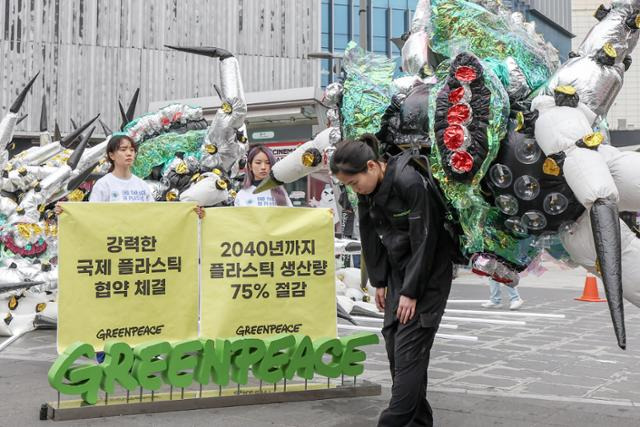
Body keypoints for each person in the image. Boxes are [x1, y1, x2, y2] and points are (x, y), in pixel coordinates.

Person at [330, 134, 454, 427]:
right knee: (394, 344)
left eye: (354, 182)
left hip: (429, 271)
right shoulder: (366, 190)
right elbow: (371, 236)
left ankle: (392, 421)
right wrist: (380, 281)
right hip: (399, 270)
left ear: (372, 166)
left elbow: (425, 238)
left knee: (409, 349)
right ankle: (419, 421)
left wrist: (411, 292)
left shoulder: (409, 180)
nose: (354, 189)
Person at [55, 134, 204, 217]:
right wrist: (67, 213)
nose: (129, 153)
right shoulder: (103, 185)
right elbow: (91, 217)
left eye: (132, 150)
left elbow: (156, 215)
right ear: (111, 155)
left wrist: (188, 213)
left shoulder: (142, 185)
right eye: (123, 149)